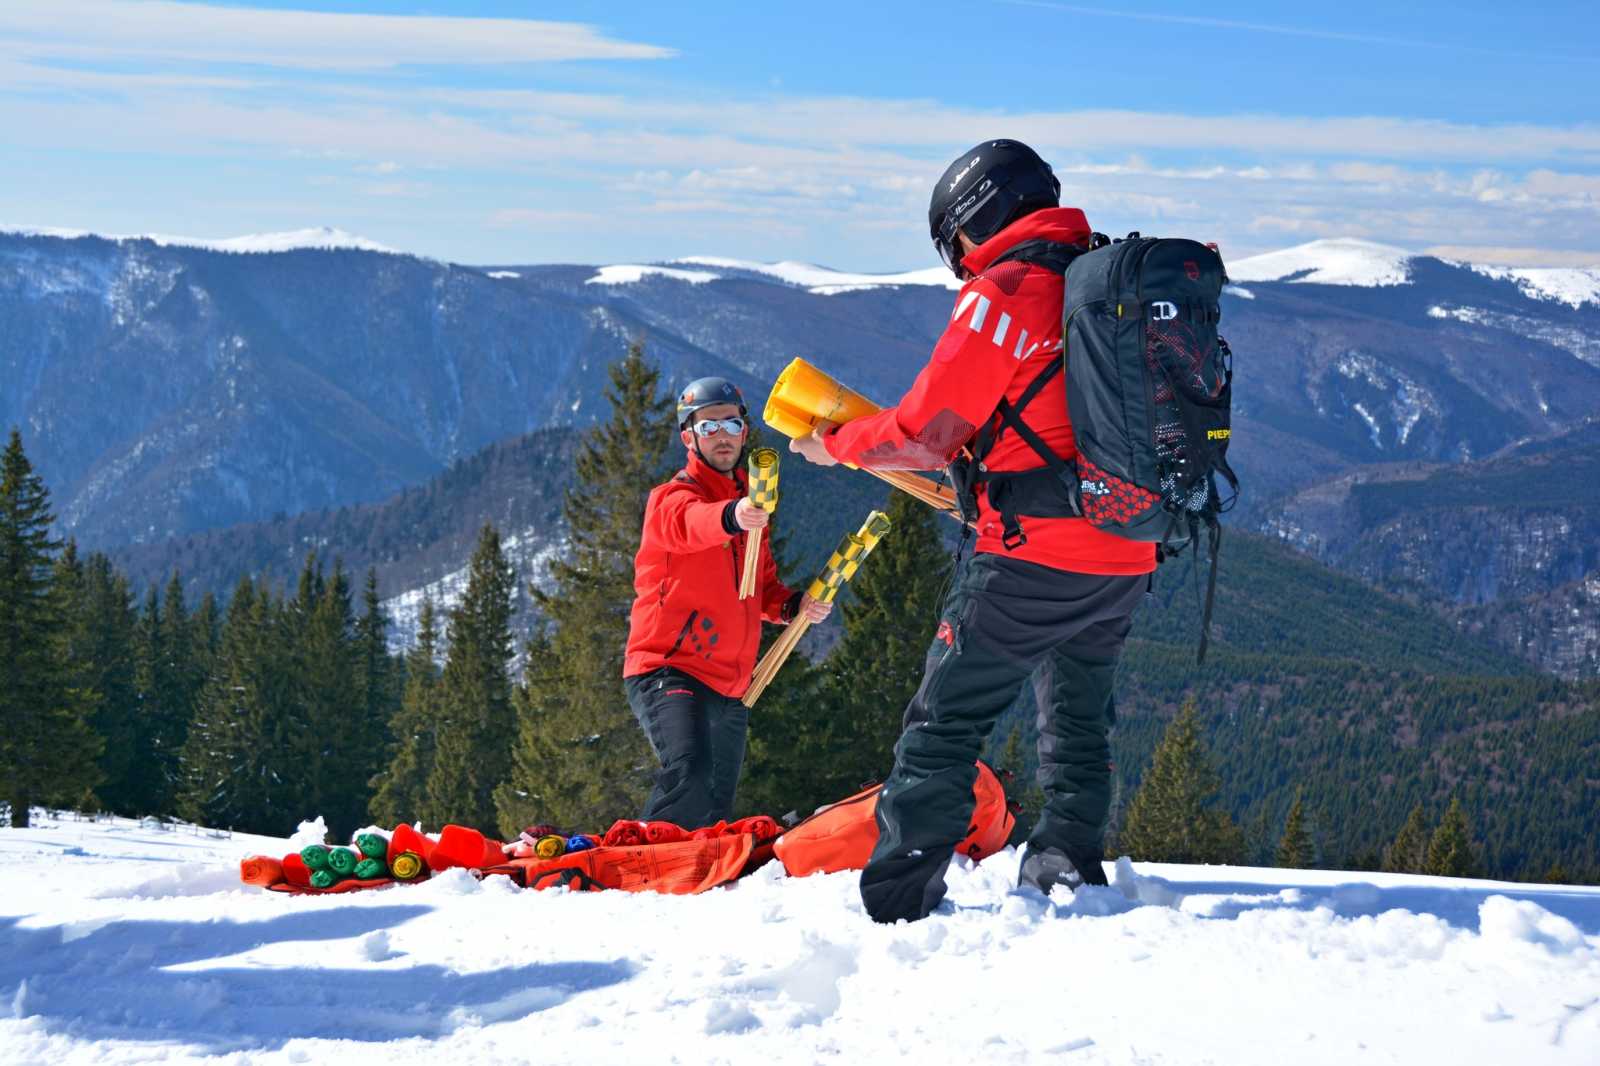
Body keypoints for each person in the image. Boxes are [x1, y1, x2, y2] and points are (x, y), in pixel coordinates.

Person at [789, 139, 1157, 923]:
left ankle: (899, 900)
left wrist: (838, 445)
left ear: (976, 218)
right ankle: (1066, 856)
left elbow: (927, 430)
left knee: (945, 720)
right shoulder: (1108, 277)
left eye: (953, 242)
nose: (957, 261)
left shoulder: (1008, 289)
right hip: (1129, 544)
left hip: (1030, 552)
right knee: (1080, 713)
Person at [624, 376, 832, 828]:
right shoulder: (672, 499)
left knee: (713, 811)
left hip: (731, 688)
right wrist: (731, 516)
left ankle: (693, 884)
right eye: (708, 427)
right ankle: (637, 869)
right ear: (689, 438)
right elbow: (689, 524)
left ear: (744, 432)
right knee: (689, 777)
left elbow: (761, 588)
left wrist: (794, 607)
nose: (722, 436)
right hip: (668, 669)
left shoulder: (751, 511)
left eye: (732, 424)